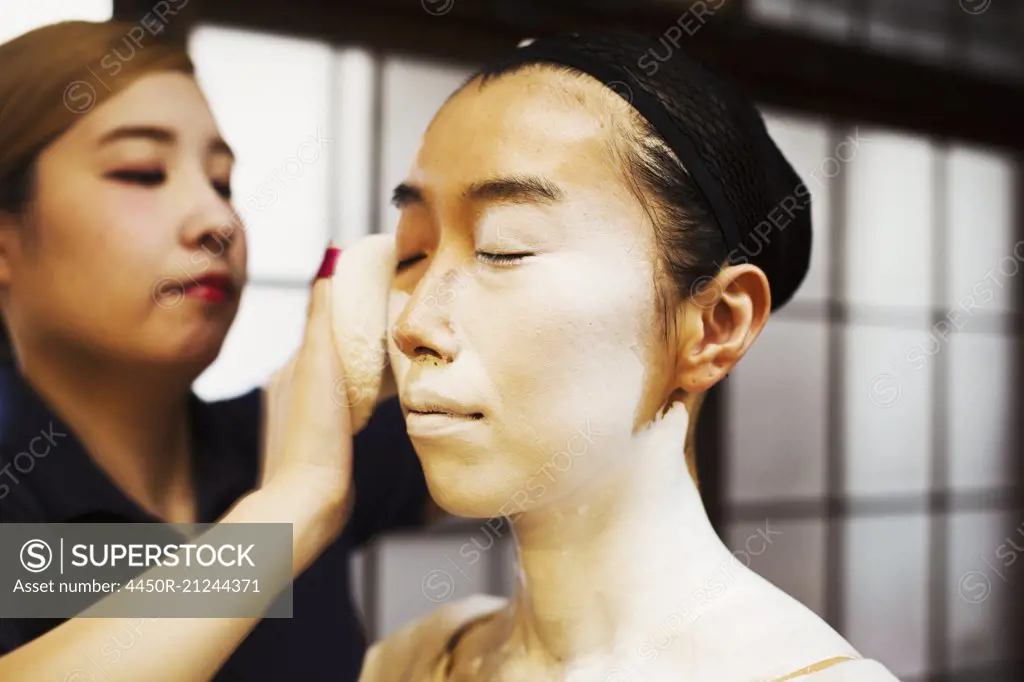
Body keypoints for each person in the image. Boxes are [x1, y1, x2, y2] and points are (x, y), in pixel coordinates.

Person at [360, 31, 901, 681]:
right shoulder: (416, 658)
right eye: (412, 254)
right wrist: (295, 491)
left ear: (714, 326)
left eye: (505, 247)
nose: (413, 321)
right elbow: (210, 596)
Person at [0, 20, 431, 681]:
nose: (218, 221)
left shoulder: (277, 439)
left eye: (223, 182)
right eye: (142, 172)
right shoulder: (19, 510)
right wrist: (292, 507)